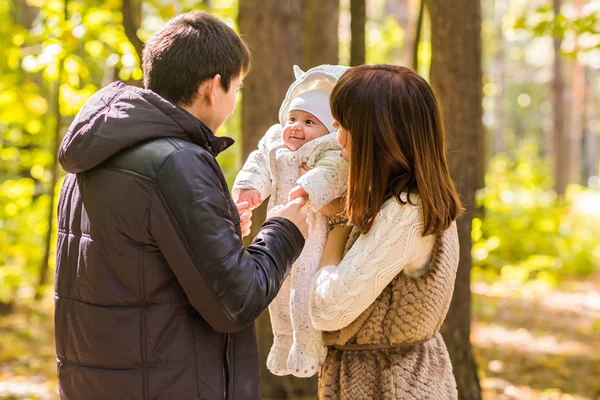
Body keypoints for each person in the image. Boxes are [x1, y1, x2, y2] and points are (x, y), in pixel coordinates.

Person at [54, 11, 308, 400]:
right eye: (237, 88)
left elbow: (141, 264)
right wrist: (285, 230)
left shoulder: (90, 158)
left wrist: (220, 234)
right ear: (212, 87)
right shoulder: (177, 162)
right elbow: (236, 301)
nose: (235, 100)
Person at [308, 65, 462, 399]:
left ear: (377, 136)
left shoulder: (406, 214)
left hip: (389, 385)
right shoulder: (413, 201)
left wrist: (337, 223)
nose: (339, 140)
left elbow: (328, 308)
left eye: (344, 127)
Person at [232, 64, 349, 378]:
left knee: (303, 291)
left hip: (313, 233)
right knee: (277, 291)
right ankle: (283, 342)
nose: (297, 127)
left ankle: (308, 346)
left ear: (327, 128)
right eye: (293, 119)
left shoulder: (328, 149)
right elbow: (258, 161)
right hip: (279, 227)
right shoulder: (276, 143)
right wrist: (249, 190)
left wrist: (307, 188)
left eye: (309, 122)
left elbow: (332, 175)